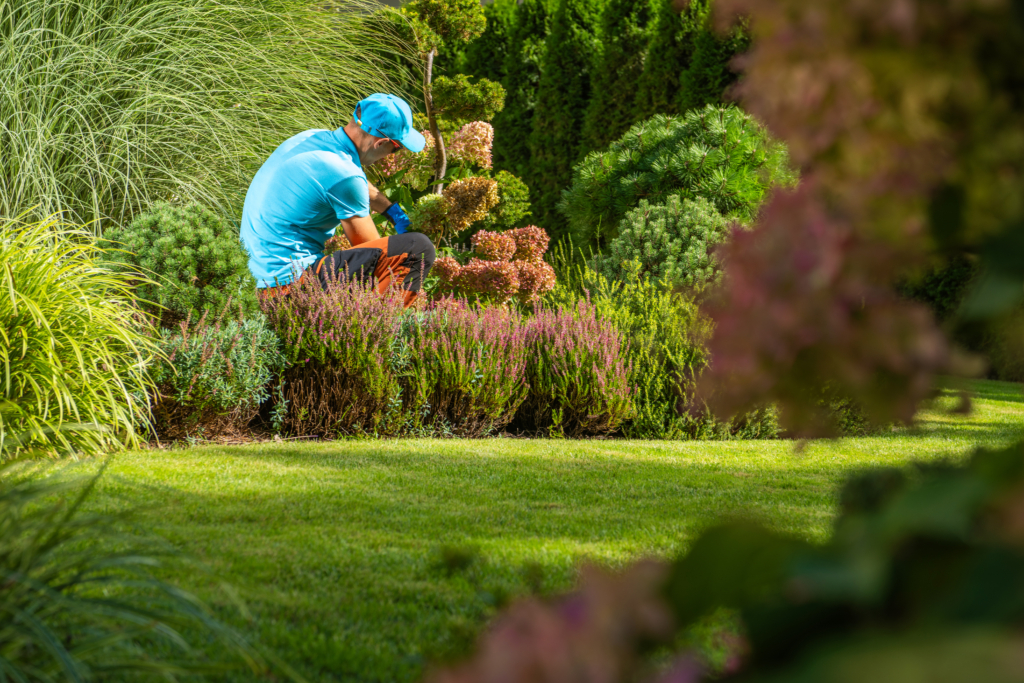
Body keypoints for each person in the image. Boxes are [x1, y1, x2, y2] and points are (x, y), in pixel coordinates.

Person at [241, 93, 435, 307]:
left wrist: (392, 212)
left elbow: (353, 181)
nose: (392, 155)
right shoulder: (345, 177)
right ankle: (380, 330)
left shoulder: (313, 138)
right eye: (396, 149)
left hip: (252, 280)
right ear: (381, 143)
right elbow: (374, 256)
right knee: (418, 249)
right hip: (285, 289)